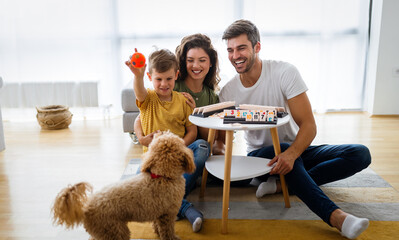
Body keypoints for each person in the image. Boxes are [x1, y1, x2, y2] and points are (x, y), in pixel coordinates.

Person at [214, 19, 372, 239]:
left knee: (360, 153)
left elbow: (309, 124)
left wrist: (291, 154)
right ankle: (337, 218)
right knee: (285, 147)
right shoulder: (228, 91)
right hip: (262, 159)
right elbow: (221, 139)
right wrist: (220, 156)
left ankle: (281, 187)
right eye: (230, 50)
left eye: (241, 48)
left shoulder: (284, 72)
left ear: (257, 47)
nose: (235, 56)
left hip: (294, 151)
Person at [125, 48, 210, 233]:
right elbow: (139, 91)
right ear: (150, 77)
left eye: (169, 79)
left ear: (176, 75)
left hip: (180, 155)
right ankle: (184, 206)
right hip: (155, 163)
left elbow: (192, 132)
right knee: (139, 184)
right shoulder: (148, 99)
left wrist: (178, 147)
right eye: (158, 79)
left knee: (203, 147)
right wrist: (138, 76)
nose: (164, 84)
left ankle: (171, 193)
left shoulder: (183, 101)